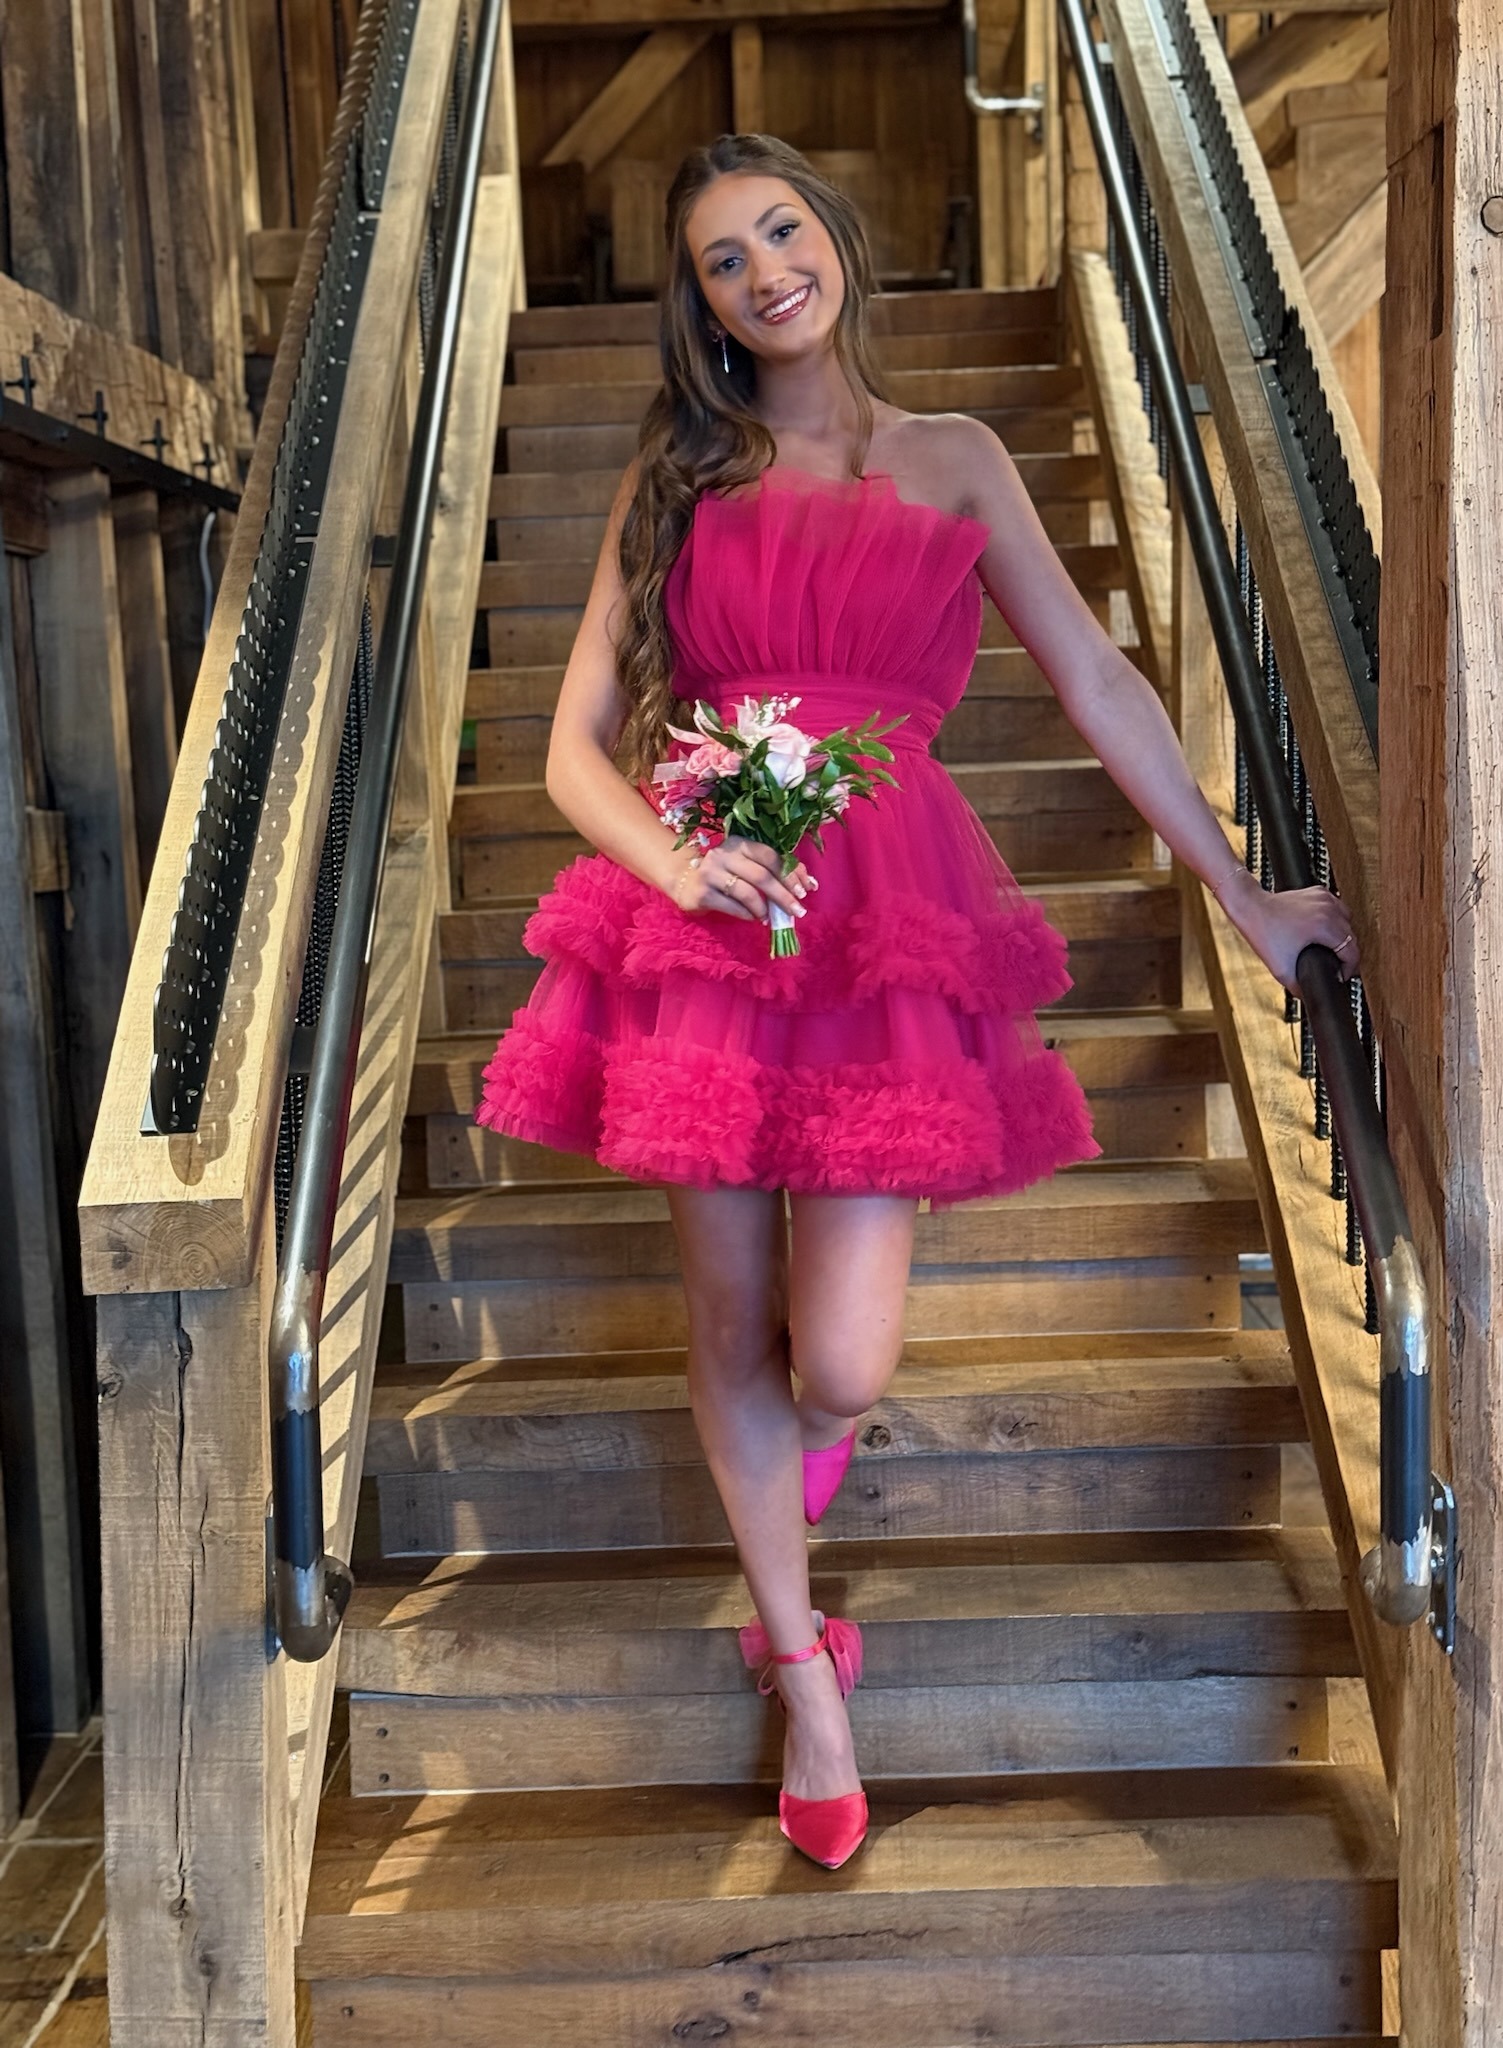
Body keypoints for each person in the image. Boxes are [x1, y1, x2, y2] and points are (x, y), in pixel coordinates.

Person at [478, 133, 1359, 1870]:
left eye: (779, 232)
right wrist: (674, 874)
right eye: (721, 260)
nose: (760, 275)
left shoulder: (955, 461)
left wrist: (1242, 893)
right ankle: (806, 1673)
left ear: (837, 238)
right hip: (712, 899)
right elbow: (569, 749)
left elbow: (1098, 678)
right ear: (701, 303)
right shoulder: (676, 471)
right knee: (729, 1327)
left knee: (843, 1357)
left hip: (886, 912)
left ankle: (802, 1455)